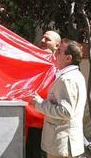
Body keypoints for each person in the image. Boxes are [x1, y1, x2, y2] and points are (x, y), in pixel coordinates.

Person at [31, 39, 87, 158]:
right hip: (63, 144)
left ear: (68, 58)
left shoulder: (67, 79)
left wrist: (39, 103)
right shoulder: (73, 76)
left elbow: (66, 111)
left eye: (59, 52)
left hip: (62, 145)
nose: (55, 53)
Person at [26, 30, 61, 158]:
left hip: (46, 121)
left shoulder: (59, 65)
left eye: (47, 39)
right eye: (42, 38)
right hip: (30, 119)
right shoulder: (33, 59)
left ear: (57, 46)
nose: (42, 41)